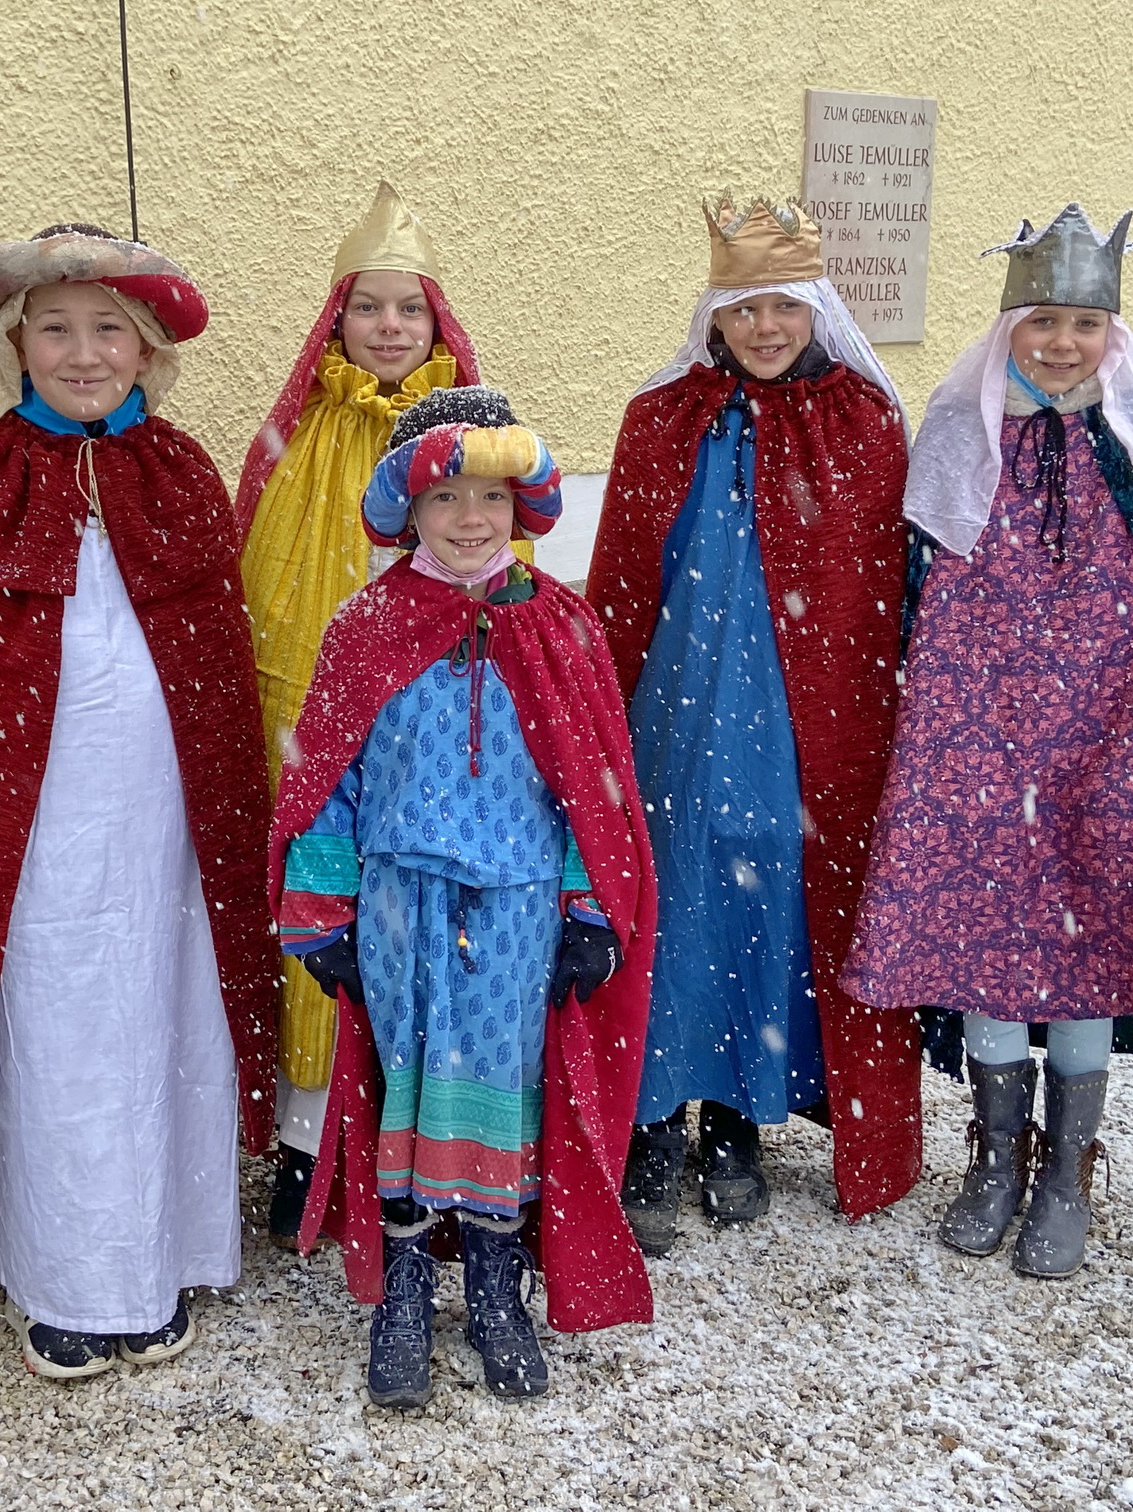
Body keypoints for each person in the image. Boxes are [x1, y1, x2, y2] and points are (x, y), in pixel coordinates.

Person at [0, 224, 276, 1377]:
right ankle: (72, 1280)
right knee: (59, 1023)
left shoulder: (179, 473)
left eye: (108, 331)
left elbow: (216, 665)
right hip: (28, 820)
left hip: (167, 820)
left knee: (166, 1008)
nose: (84, 354)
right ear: (17, 343)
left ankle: (166, 1255)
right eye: (57, 329)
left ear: (145, 351)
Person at [840, 205, 1133, 1278]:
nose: (1062, 343)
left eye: (1084, 323)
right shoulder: (960, 430)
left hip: (1117, 731)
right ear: (1009, 327)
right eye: (1042, 321)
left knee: (1087, 943)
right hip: (978, 734)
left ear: (1113, 331)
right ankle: (994, 1161)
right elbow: (914, 590)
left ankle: (1065, 1173)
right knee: (985, 937)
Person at [271, 386, 656, 1408]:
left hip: (519, 907)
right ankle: (403, 1287)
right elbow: (327, 776)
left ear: (522, 503)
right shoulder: (367, 626)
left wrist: (588, 907)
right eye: (444, 496)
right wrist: (320, 906)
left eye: (489, 495)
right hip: (399, 902)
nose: (470, 517)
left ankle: (493, 1283)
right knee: (402, 1083)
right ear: (407, 508)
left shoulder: (559, 626)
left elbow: (593, 787)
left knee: (502, 1088)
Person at [583, 196, 922, 1256]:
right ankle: (653, 1121)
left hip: (801, 719)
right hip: (674, 709)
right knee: (671, 892)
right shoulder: (662, 418)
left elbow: (877, 593)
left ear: (817, 307)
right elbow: (623, 577)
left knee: (771, 892)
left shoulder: (863, 421)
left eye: (784, 305)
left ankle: (738, 1115)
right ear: (714, 315)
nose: (764, 327)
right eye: (743, 308)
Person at [234, 182, 494, 1246]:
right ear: (336, 320)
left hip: (432, 728)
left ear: (438, 322)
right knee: (326, 911)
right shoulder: (301, 437)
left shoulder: (473, 444)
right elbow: (260, 576)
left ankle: (427, 1143)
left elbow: (497, 572)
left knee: (425, 925)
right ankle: (311, 1144)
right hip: (314, 716)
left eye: (410, 309)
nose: (390, 328)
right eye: (369, 307)